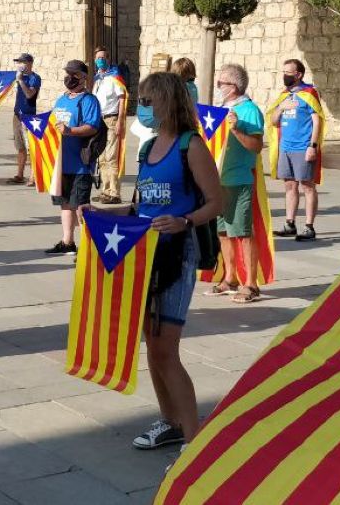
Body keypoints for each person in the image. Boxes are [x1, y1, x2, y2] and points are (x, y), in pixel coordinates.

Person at [86, 72, 223, 451]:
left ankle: (194, 441)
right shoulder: (147, 149)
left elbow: (217, 202)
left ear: (168, 101)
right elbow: (140, 206)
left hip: (176, 255)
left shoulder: (190, 145)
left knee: (165, 349)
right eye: (141, 100)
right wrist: (100, 213)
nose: (141, 107)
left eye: (148, 100)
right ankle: (171, 421)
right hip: (144, 254)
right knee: (153, 344)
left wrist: (184, 221)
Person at [205, 64, 266, 302]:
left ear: (234, 86)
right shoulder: (221, 109)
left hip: (239, 179)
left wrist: (236, 129)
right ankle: (229, 277)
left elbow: (256, 146)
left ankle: (251, 283)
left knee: (243, 232)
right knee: (223, 231)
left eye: (221, 83)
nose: (218, 86)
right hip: (219, 179)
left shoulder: (249, 110)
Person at [45, 60, 103, 255]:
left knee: (81, 207)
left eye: (74, 74)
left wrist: (70, 131)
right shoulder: (61, 100)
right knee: (65, 203)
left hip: (80, 163)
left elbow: (92, 126)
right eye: (68, 73)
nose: (69, 78)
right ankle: (67, 241)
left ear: (84, 78)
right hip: (61, 163)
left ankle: (88, 246)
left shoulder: (88, 100)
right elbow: (51, 123)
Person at [268, 59, 323, 241]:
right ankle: (289, 223)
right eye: (283, 72)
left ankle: (309, 227)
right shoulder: (284, 95)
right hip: (285, 147)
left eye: (288, 73)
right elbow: (273, 121)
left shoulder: (309, 93)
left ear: (298, 74)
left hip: (303, 147)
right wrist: (280, 108)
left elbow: (317, 121)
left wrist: (312, 146)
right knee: (289, 186)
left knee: (307, 186)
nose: (285, 76)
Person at [92, 48, 128, 205]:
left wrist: (120, 120)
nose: (100, 60)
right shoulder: (97, 79)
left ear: (108, 59)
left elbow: (122, 98)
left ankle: (114, 192)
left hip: (111, 119)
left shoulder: (115, 77)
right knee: (101, 157)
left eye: (103, 57)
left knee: (111, 156)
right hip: (99, 121)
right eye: (98, 58)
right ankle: (105, 190)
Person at [9, 53, 42, 185]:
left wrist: (21, 81)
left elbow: (29, 95)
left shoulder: (35, 78)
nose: (20, 65)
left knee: (31, 147)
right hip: (17, 115)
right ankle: (20, 174)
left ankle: (33, 177)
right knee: (20, 146)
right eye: (18, 62)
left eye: (22, 62)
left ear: (29, 63)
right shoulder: (19, 76)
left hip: (29, 116)